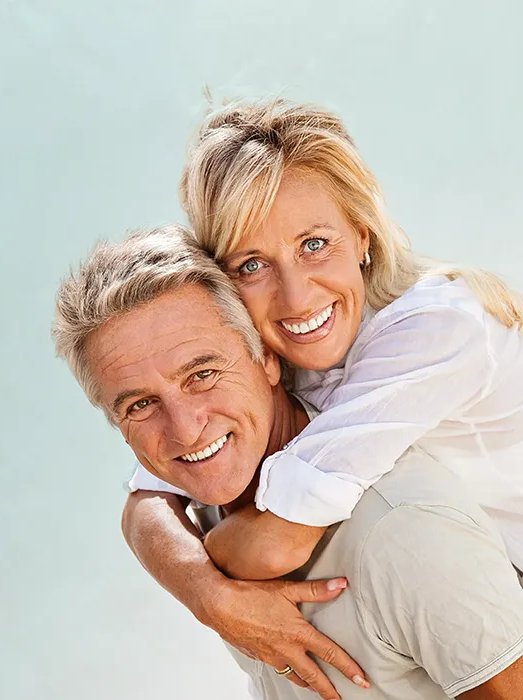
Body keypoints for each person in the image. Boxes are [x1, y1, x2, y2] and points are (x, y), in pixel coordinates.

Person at [52, 226, 523, 700]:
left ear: (269, 359)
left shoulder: (400, 532)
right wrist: (207, 592)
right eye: (141, 404)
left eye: (202, 374)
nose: (184, 429)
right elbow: (142, 502)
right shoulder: (210, 488)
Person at [128, 98, 523, 592]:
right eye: (251, 265)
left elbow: (275, 545)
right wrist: (201, 585)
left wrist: (209, 590)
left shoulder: (439, 328)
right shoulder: (265, 349)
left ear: (361, 235)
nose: (296, 298)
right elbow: (148, 496)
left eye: (313, 244)